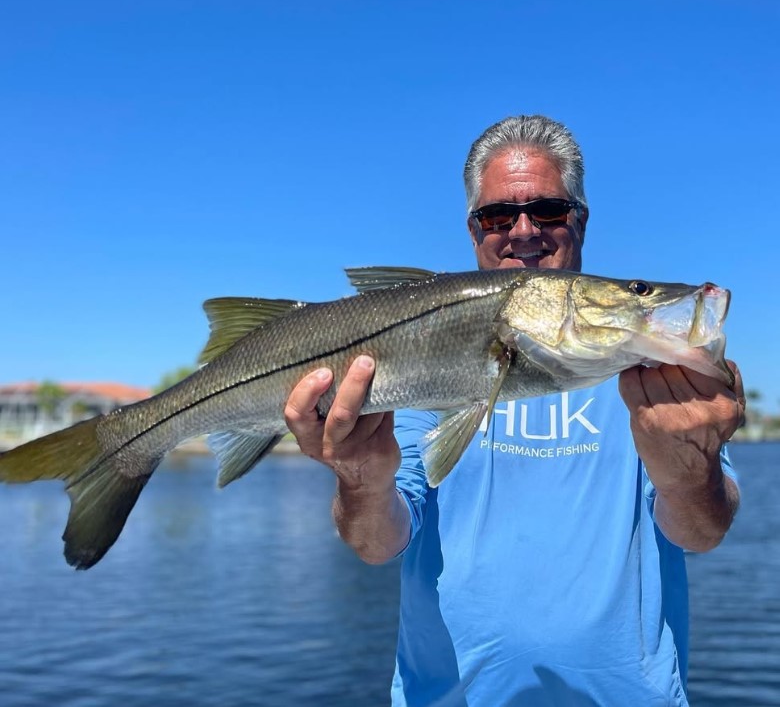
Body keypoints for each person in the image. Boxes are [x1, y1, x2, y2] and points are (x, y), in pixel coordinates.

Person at [283, 115, 744, 706]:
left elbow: (703, 533)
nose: (523, 232)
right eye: (498, 216)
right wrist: (359, 479)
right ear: (474, 231)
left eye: (548, 210)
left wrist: (690, 472)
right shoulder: (425, 362)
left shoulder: (661, 382)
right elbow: (377, 543)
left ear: (580, 219)